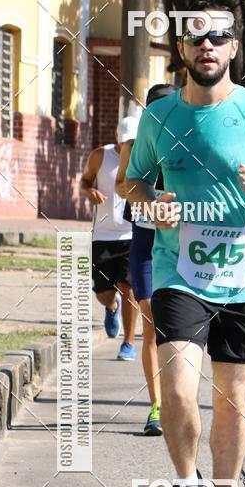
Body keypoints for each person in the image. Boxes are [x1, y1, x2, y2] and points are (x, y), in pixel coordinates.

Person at [125, 1, 245, 487]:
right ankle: (183, 486)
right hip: (179, 271)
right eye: (196, 38)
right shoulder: (160, 117)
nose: (208, 47)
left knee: (232, 400)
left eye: (218, 38)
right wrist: (154, 203)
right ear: (181, 49)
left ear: (232, 48)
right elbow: (131, 185)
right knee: (178, 388)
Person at [115, 83, 176, 435]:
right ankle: (157, 406)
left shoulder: (189, 144)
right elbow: (122, 185)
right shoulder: (135, 145)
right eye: (155, 109)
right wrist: (143, 192)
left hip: (181, 240)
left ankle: (178, 396)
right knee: (152, 320)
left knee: (178, 325)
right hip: (145, 238)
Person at [81, 121, 138, 360]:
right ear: (116, 136)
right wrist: (89, 191)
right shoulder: (99, 156)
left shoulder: (144, 159)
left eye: (130, 142)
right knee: (104, 293)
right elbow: (85, 180)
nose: (126, 145)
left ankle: (129, 343)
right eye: (122, 141)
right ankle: (110, 307)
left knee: (130, 290)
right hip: (103, 235)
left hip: (132, 234)